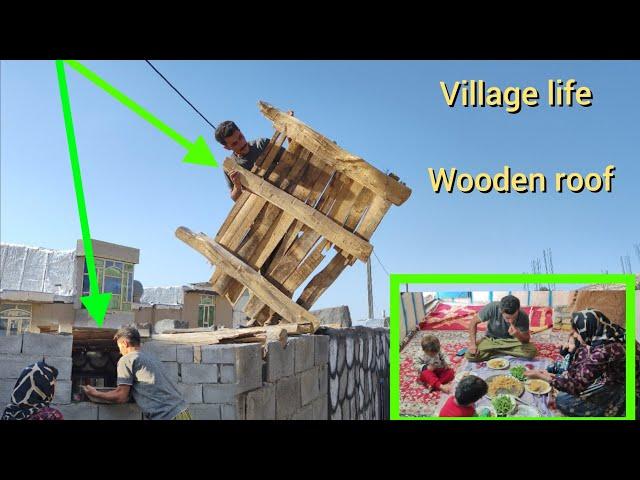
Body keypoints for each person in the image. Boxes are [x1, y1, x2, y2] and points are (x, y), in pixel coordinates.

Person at [524, 309, 630, 417]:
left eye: (576, 332)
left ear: (587, 329)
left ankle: (618, 406)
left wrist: (546, 377)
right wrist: (558, 375)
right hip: (611, 374)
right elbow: (579, 362)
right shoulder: (608, 332)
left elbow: (576, 386)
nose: (575, 336)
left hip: (622, 386)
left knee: (563, 400)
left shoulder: (604, 351)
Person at [83, 326, 191, 420]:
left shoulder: (127, 359)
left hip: (167, 416)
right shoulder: (150, 357)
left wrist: (95, 393)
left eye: (119, 346)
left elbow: (121, 396)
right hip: (182, 412)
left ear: (124, 343)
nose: (120, 351)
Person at [215, 113, 293, 201]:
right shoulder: (230, 167)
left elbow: (290, 160)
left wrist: (291, 137)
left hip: (289, 191)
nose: (241, 143)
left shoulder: (262, 144)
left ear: (241, 132)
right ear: (227, 148)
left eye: (240, 137)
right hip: (265, 204)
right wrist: (237, 187)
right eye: (234, 143)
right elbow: (235, 198)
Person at [465, 295, 537, 362]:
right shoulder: (492, 307)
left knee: (532, 352)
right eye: (507, 318)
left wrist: (518, 334)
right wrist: (473, 345)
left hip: (511, 342)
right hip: (492, 340)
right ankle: (503, 352)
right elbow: (473, 323)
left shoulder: (523, 315)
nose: (511, 321)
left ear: (518, 310)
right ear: (501, 311)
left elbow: (526, 340)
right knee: (470, 355)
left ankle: (494, 351)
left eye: (514, 317)